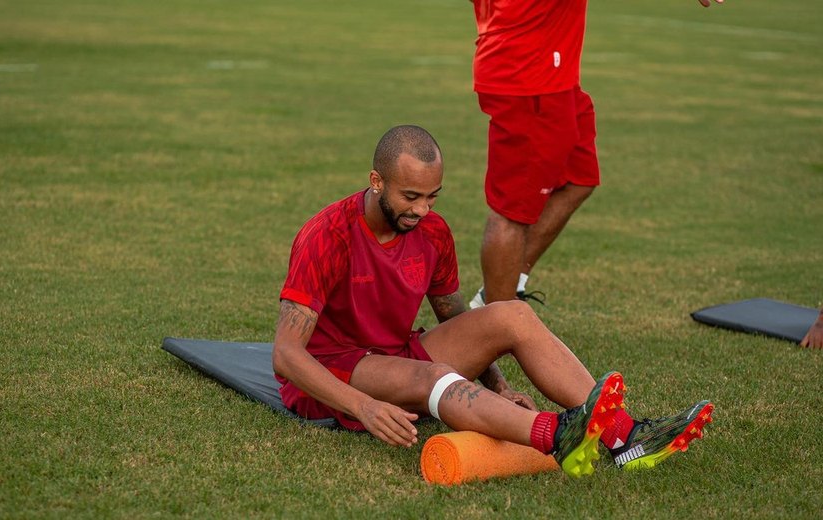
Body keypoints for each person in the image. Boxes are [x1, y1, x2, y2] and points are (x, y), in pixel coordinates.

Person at [272, 125, 713, 477]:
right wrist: (363, 406)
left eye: (432, 196)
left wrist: (498, 387)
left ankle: (626, 438)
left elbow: (454, 316)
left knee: (512, 315)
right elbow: (287, 355)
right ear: (376, 182)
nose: (422, 210)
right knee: (434, 376)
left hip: (395, 354)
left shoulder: (432, 232)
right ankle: (556, 435)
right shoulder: (326, 235)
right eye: (410, 197)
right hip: (334, 370)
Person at [467, 0, 725, 309]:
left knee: (579, 178)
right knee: (512, 212)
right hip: (529, 77)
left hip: (545, 73)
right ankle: (492, 324)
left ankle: (500, 291)